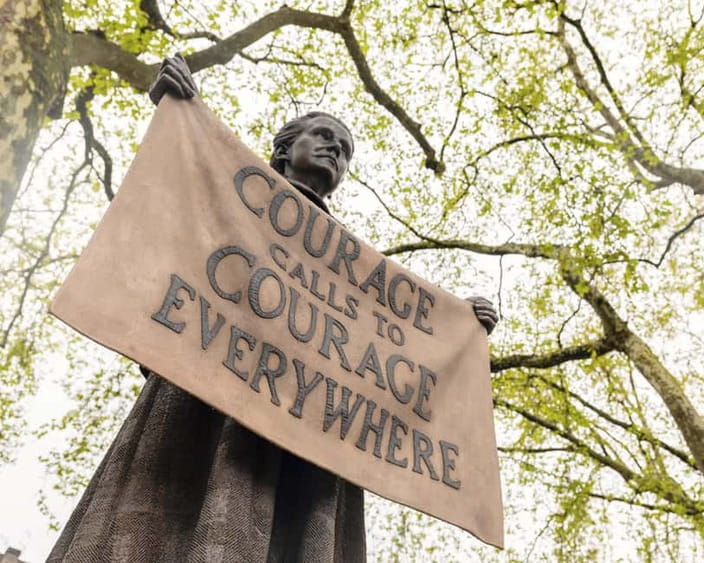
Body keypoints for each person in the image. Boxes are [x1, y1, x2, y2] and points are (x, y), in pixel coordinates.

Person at [48, 54, 498, 562]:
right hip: (206, 403)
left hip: (312, 442)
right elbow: (163, 241)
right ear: (285, 148)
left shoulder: (361, 277)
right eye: (324, 135)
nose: (336, 149)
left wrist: (457, 329)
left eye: (345, 150)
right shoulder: (222, 194)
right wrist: (175, 118)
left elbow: (390, 369)